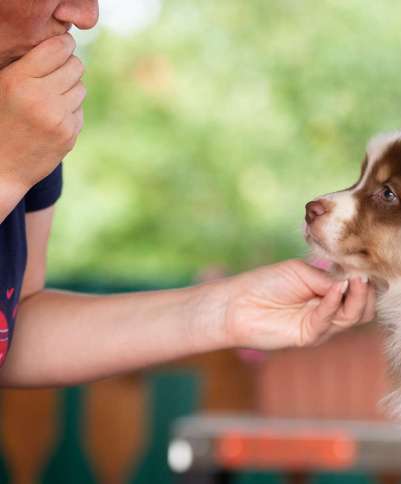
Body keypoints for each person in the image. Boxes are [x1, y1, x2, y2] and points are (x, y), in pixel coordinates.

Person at [0, 1, 374, 387]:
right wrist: (6, 174)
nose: (86, 16)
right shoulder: (19, 133)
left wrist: (224, 312)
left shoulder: (26, 115)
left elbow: (15, 324)